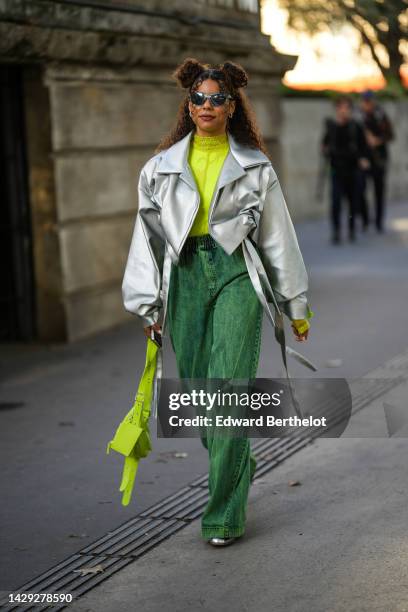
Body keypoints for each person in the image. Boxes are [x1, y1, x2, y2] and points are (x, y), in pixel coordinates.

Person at [121, 58, 314, 547]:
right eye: (198, 99)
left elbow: (277, 238)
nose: (206, 106)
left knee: (227, 393)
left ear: (233, 107)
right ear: (188, 106)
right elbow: (146, 239)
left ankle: (223, 516)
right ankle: (236, 462)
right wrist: (149, 304)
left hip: (237, 274)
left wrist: (295, 305)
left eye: (216, 99)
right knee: (200, 397)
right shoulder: (159, 168)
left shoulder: (254, 165)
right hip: (184, 275)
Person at [321, 96, 370, 244]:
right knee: (335, 202)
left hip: (353, 170)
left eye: (346, 108)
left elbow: (364, 147)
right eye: (341, 107)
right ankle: (336, 230)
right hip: (336, 170)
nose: (343, 111)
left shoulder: (356, 126)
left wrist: (363, 159)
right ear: (337, 109)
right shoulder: (332, 127)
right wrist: (325, 150)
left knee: (352, 202)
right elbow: (324, 145)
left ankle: (351, 228)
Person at [358, 90, 394, 233]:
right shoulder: (359, 117)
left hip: (379, 159)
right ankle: (366, 219)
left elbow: (390, 135)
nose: (367, 104)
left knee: (379, 191)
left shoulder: (381, 116)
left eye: (369, 101)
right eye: (365, 101)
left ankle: (379, 222)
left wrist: (377, 140)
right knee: (360, 189)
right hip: (364, 159)